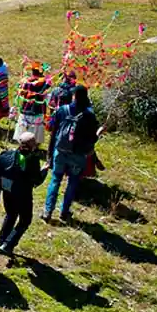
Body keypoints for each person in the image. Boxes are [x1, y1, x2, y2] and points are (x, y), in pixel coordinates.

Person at [41, 85, 100, 223]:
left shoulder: (62, 110)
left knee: (55, 179)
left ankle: (47, 211)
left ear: (73, 96)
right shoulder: (90, 116)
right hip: (78, 155)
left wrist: (49, 154)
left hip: (60, 151)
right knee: (72, 182)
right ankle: (64, 212)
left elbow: (53, 132)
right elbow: (92, 139)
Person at [0, 132, 49, 256]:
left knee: (10, 215)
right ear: (33, 146)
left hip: (7, 192)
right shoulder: (32, 160)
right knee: (25, 219)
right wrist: (44, 170)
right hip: (23, 195)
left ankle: (2, 241)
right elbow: (36, 180)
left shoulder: (5, 155)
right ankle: (8, 244)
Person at [13, 63, 51, 144]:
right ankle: (35, 144)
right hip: (39, 110)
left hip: (26, 109)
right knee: (36, 126)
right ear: (41, 72)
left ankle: (23, 142)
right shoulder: (45, 83)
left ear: (33, 72)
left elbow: (21, 93)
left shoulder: (27, 82)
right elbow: (47, 97)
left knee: (24, 125)